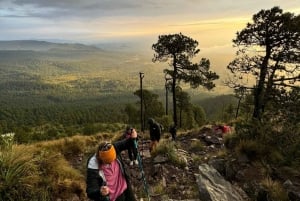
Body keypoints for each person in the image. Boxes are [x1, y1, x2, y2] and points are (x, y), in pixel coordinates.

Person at [86, 129, 138, 201]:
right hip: (112, 197)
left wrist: (133, 137)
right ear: (100, 158)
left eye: (113, 159)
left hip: (125, 187)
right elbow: (90, 190)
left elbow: (127, 143)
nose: (111, 163)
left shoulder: (113, 147)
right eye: (108, 162)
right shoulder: (93, 165)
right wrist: (100, 192)